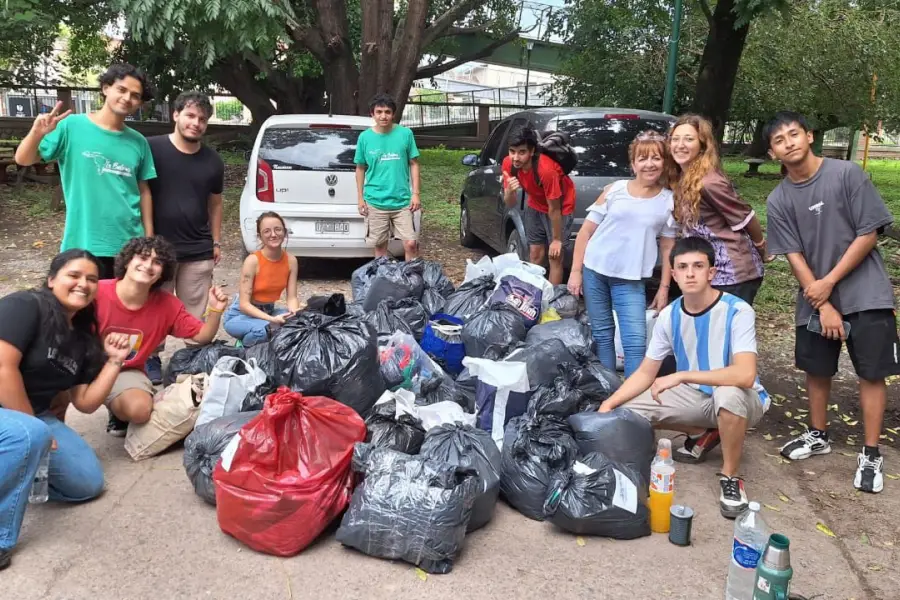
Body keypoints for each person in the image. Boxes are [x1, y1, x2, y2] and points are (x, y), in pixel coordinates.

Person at [764, 111, 898, 494]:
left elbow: (868, 233)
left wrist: (830, 284)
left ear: (809, 136)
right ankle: (817, 433)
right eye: (779, 140)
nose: (788, 142)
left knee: (872, 372)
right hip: (814, 297)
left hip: (864, 291)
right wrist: (822, 302)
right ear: (773, 153)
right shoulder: (779, 199)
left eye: (794, 134)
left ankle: (871, 451)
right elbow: (792, 255)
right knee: (816, 369)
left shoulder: (847, 174)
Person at [598, 237, 770, 519]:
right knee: (626, 412)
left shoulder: (737, 311)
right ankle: (705, 432)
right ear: (674, 274)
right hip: (696, 397)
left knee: (727, 394)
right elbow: (645, 372)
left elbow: (745, 374)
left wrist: (681, 375)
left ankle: (730, 477)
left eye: (698, 266)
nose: (690, 273)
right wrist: (609, 403)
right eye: (683, 267)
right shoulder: (669, 315)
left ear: (711, 273)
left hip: (744, 399)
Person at [0, 250, 133, 570]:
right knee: (31, 434)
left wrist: (115, 361)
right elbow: (4, 367)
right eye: (74, 275)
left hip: (34, 419)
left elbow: (85, 403)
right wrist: (36, 429)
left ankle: (15, 467)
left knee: (87, 483)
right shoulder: (25, 305)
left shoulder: (83, 339)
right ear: (51, 280)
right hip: (22, 417)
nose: (83, 284)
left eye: (91, 279)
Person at [14, 63, 157, 278]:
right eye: (121, 89)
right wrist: (36, 133)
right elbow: (23, 159)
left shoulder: (138, 142)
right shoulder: (71, 126)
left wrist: (148, 236)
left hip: (130, 244)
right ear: (106, 88)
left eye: (135, 95)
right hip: (83, 240)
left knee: (121, 310)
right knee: (82, 307)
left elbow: (143, 190)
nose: (127, 98)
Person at [567, 131, 677, 377]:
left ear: (664, 162)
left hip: (631, 278)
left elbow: (668, 247)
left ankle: (631, 400)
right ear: (633, 163)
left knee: (635, 341)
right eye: (643, 158)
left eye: (656, 158)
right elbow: (585, 233)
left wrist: (664, 287)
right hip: (594, 270)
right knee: (602, 334)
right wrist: (576, 271)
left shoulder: (668, 201)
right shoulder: (615, 190)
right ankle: (607, 391)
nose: (649, 164)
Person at [94, 236, 229, 436]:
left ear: (162, 273)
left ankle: (117, 408)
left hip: (124, 370)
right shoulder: (97, 291)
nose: (148, 265)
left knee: (140, 411)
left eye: (157, 262)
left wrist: (215, 311)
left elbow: (202, 336)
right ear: (128, 261)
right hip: (82, 362)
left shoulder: (166, 304)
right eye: (142, 257)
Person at [145, 91, 225, 384]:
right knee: (154, 305)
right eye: (190, 115)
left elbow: (215, 203)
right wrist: (147, 238)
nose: (196, 123)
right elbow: (140, 192)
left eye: (202, 119)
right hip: (159, 248)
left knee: (195, 310)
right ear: (175, 115)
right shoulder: (151, 149)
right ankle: (150, 357)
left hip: (198, 248)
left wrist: (216, 241)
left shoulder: (213, 160)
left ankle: (192, 358)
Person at [668, 114, 770, 304]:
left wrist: (761, 246)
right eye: (675, 139)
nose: (680, 145)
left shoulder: (709, 182)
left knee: (725, 330)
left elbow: (747, 217)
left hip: (733, 274)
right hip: (707, 270)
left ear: (702, 146)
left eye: (689, 139)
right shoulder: (681, 177)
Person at [502, 125, 576, 285]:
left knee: (554, 256)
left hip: (560, 208)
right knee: (535, 254)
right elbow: (511, 202)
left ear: (532, 151)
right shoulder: (508, 165)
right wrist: (509, 190)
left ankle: (550, 302)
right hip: (535, 205)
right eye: (512, 151)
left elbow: (555, 208)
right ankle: (531, 295)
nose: (515, 157)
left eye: (522, 152)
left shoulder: (546, 170)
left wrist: (557, 240)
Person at [354, 93, 421, 261]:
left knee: (411, 243)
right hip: (375, 201)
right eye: (379, 112)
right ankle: (382, 281)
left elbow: (414, 163)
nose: (383, 116)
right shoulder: (365, 137)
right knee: (380, 246)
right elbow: (360, 168)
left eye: (387, 112)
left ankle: (411, 281)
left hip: (402, 201)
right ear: (372, 114)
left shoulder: (405, 134)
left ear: (393, 114)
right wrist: (360, 198)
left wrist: (416, 194)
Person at [224, 212, 300, 347]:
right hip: (240, 315)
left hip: (268, 311)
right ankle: (243, 348)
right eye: (267, 231)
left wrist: (294, 313)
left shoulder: (291, 261)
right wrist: (272, 320)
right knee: (265, 330)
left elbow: (292, 298)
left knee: (297, 324)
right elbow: (244, 305)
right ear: (260, 237)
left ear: (285, 232)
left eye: (278, 229)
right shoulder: (252, 261)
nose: (273, 234)